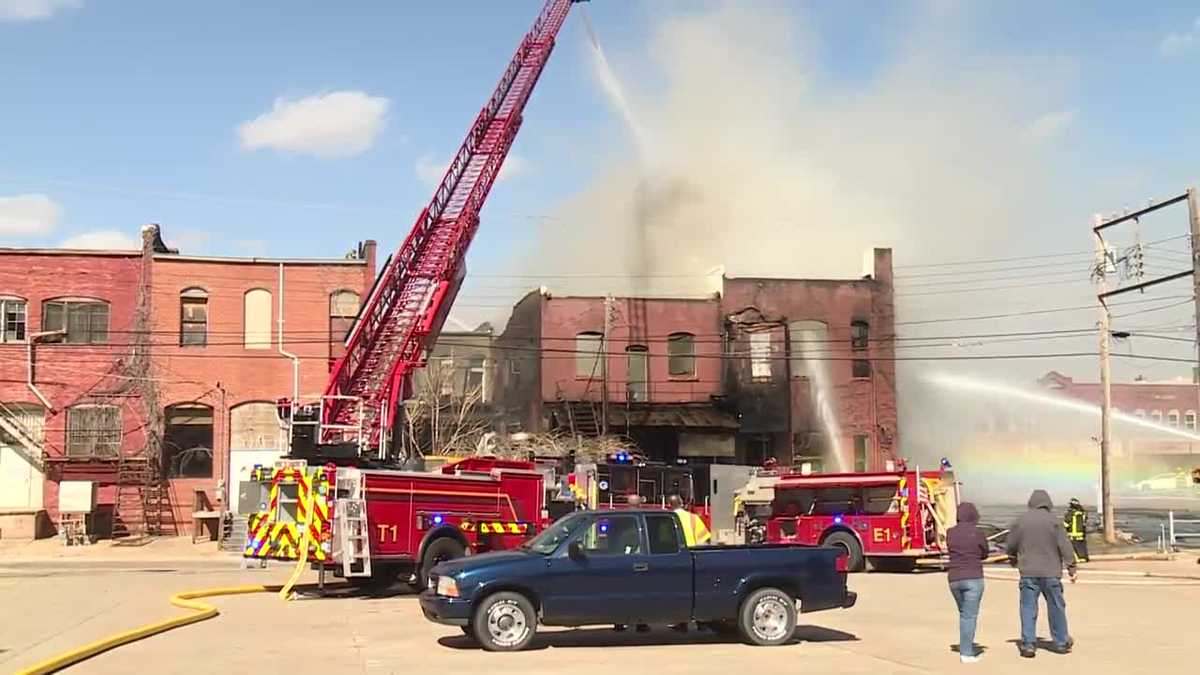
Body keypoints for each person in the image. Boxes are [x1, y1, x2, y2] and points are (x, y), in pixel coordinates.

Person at [1005, 490, 1077, 658]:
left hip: (1028, 572)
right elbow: (1065, 546)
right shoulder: (1054, 521)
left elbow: (1011, 544)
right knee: (1056, 607)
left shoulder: (1020, 521)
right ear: (1048, 503)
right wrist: (1071, 567)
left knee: (1028, 608)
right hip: (1051, 572)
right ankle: (1060, 642)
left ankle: (1028, 645)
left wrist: (1012, 559)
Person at [946, 502, 989, 663]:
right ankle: (966, 652)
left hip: (954, 579)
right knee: (968, 616)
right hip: (973, 577)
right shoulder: (977, 533)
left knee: (964, 614)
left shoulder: (950, 533)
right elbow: (984, 552)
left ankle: (966, 646)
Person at [1064, 498, 1089, 563]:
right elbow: (1084, 523)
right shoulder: (1083, 513)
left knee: (1072, 548)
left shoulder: (1070, 513)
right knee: (1082, 547)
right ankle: (1083, 558)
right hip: (1081, 534)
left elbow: (1066, 524)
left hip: (1073, 535)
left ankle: (1076, 559)